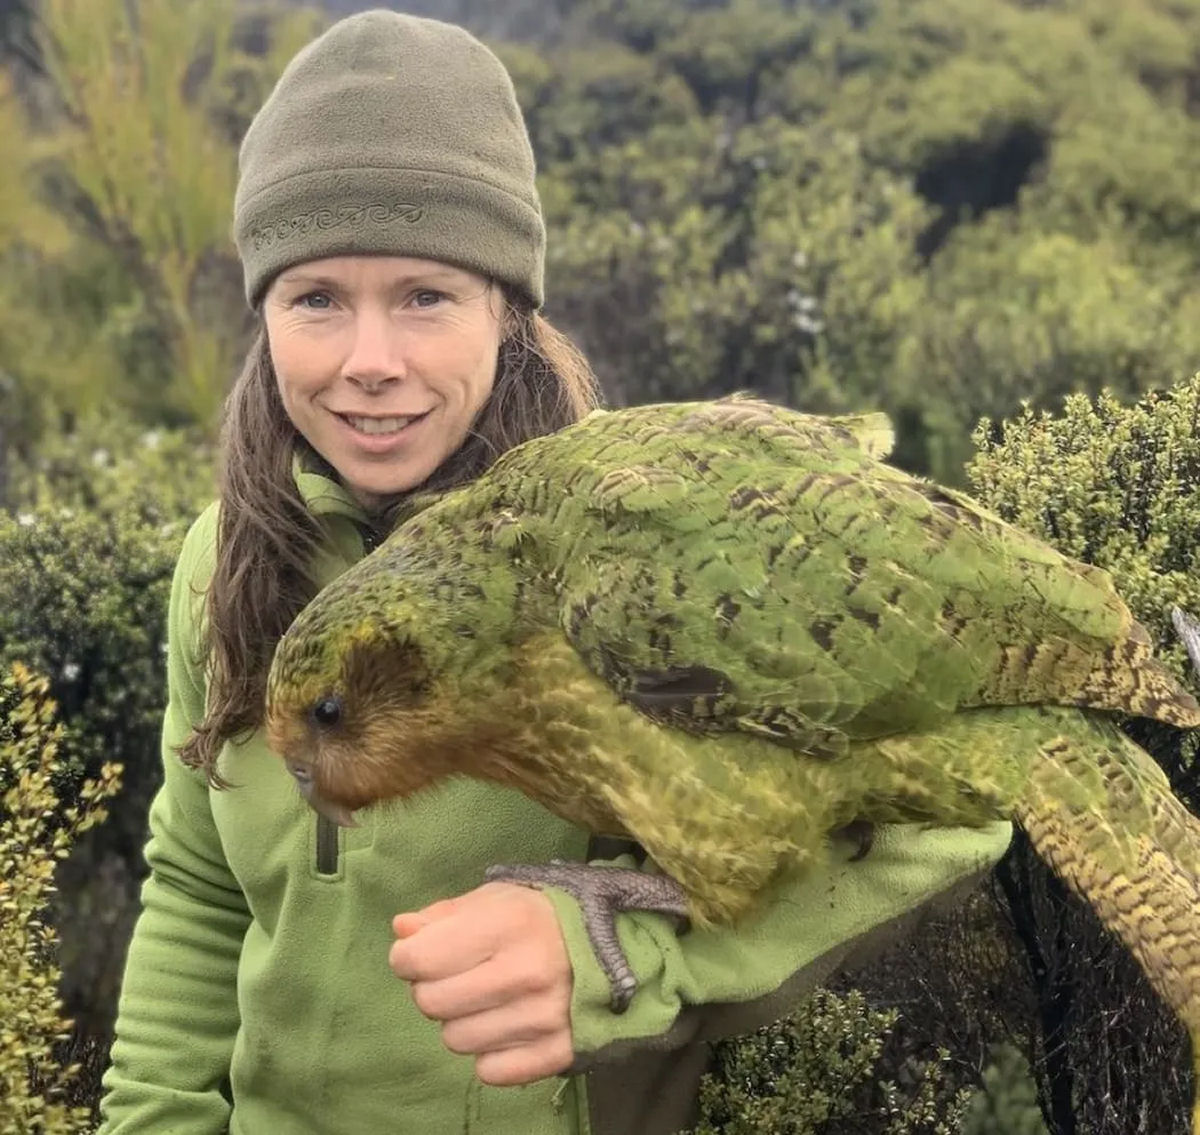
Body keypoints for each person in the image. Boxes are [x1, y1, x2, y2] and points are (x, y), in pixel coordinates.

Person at [97, 11, 1013, 1135]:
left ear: (508, 309)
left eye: (426, 295)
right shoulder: (222, 558)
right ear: (264, 313)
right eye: (317, 297)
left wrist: (621, 951)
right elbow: (196, 889)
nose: (369, 362)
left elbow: (960, 804)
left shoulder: (638, 562)